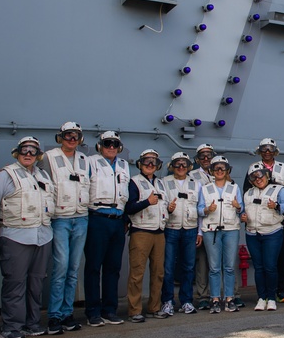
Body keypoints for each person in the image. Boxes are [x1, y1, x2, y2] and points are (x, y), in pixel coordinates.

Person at [0, 136, 55, 338]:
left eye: (32, 151)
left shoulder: (43, 175)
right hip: (15, 236)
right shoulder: (6, 176)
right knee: (15, 283)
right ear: (17, 153)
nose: (28, 154)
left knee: (36, 283)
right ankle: (11, 327)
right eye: (24, 150)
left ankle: (32, 323)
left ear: (37, 155)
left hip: (42, 236)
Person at [40, 121, 91, 334]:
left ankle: (67, 313)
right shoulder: (49, 158)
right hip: (60, 218)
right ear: (60, 137)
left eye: (75, 136)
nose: (72, 139)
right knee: (60, 268)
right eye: (68, 135)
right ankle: (54, 316)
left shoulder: (84, 160)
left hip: (81, 217)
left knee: (73, 269)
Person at [83, 130, 130, 326]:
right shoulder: (90, 162)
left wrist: (125, 219)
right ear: (100, 146)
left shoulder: (124, 165)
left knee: (113, 268)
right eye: (107, 143)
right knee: (93, 267)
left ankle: (109, 310)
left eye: (114, 144)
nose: (111, 147)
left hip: (117, 220)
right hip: (98, 218)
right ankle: (93, 311)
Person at [242, 138, 284, 302]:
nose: (267, 152)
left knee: (280, 255)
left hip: (279, 214)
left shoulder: (282, 168)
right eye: (264, 149)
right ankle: (265, 293)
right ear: (260, 151)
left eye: (270, 149)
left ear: (275, 151)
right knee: (264, 261)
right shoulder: (253, 168)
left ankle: (281, 290)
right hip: (258, 216)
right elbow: (246, 189)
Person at [125, 149, 167, 322]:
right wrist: (146, 202)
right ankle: (134, 310)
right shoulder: (134, 182)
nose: (150, 165)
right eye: (147, 162)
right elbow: (129, 208)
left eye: (153, 162)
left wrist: (168, 210)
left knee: (158, 272)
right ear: (140, 164)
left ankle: (154, 307)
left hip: (159, 232)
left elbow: (162, 205)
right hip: (141, 231)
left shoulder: (161, 183)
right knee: (137, 272)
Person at [198, 155, 243, 313]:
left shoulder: (234, 188)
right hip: (211, 231)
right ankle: (215, 298)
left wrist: (238, 207)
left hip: (231, 229)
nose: (219, 171)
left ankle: (229, 298)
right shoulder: (205, 189)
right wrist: (206, 210)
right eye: (216, 168)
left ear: (227, 170)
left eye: (222, 168)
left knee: (229, 267)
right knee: (214, 267)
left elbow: (241, 210)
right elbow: (199, 209)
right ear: (212, 170)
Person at [160, 152, 202, 316]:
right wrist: (167, 209)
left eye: (184, 164)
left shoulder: (196, 184)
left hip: (190, 229)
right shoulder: (164, 182)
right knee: (169, 267)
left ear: (189, 167)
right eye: (178, 164)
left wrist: (199, 232)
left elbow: (200, 209)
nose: (181, 167)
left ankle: (186, 301)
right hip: (171, 228)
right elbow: (161, 204)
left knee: (189, 267)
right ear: (172, 166)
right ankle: (168, 301)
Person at [189, 143, 215, 311]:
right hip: (202, 225)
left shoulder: (221, 173)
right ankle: (203, 296)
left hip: (221, 225)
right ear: (197, 159)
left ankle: (220, 295)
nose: (206, 158)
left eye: (209, 155)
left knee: (220, 263)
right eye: (202, 156)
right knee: (202, 263)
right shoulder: (191, 176)